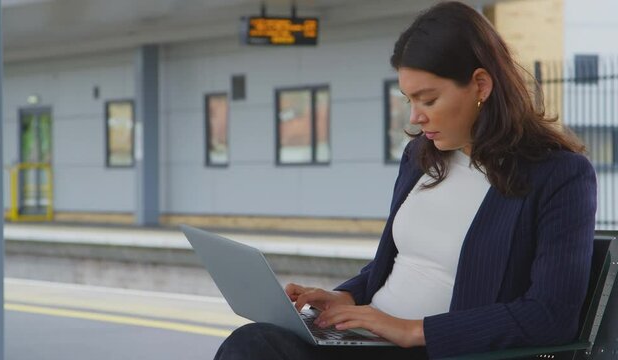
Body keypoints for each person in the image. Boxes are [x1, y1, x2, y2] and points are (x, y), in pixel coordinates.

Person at [214, 1, 597, 359]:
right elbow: (401, 264)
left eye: (428, 100)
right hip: (370, 340)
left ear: (481, 85)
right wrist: (345, 297)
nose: (415, 117)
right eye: (409, 100)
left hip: (432, 348)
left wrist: (413, 330)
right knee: (254, 341)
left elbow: (550, 315)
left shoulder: (558, 176)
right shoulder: (420, 158)